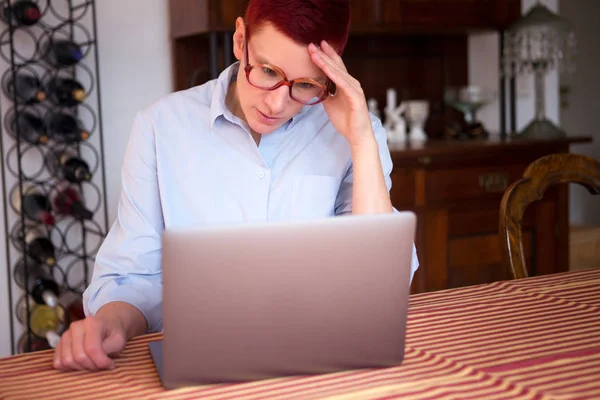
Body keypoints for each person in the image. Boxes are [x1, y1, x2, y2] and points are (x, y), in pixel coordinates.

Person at [53, 0, 419, 372]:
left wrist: (360, 139)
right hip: (204, 364)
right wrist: (109, 322)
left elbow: (378, 284)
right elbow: (134, 276)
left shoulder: (353, 131)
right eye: (267, 70)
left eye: (305, 84)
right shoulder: (160, 127)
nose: (277, 103)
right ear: (241, 40)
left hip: (325, 362)